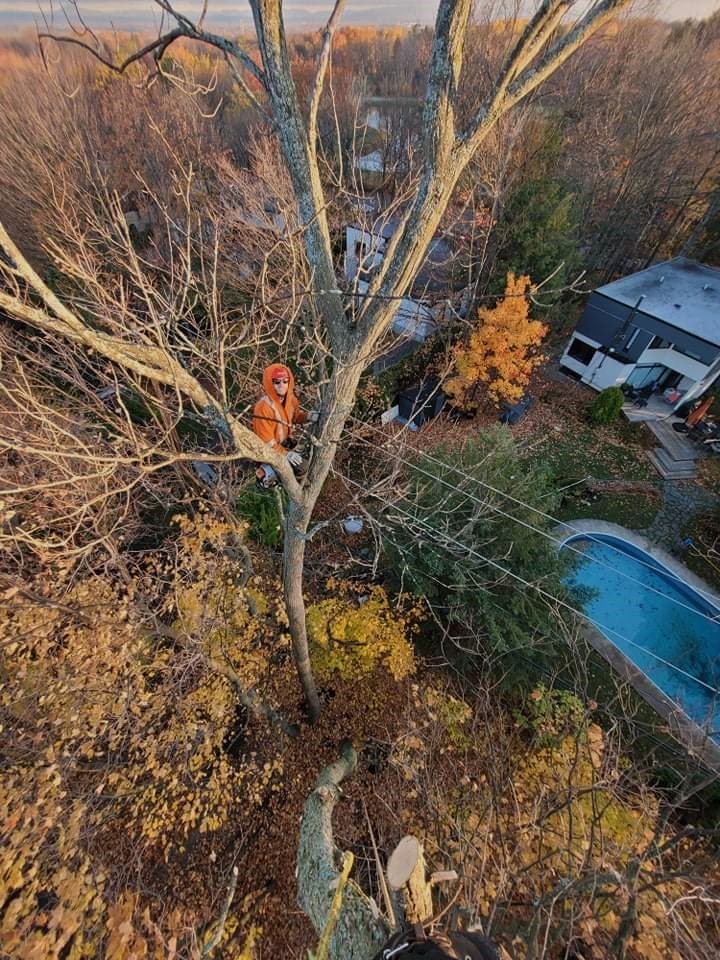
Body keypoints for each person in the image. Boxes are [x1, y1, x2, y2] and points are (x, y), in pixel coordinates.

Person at [252, 363, 315, 487]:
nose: (282, 385)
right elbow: (267, 442)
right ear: (271, 383)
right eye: (277, 382)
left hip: (284, 443)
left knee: (306, 451)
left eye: (285, 381)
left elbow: (295, 417)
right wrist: (286, 454)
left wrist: (308, 416)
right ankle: (294, 483)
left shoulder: (291, 400)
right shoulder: (263, 407)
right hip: (269, 449)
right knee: (302, 467)